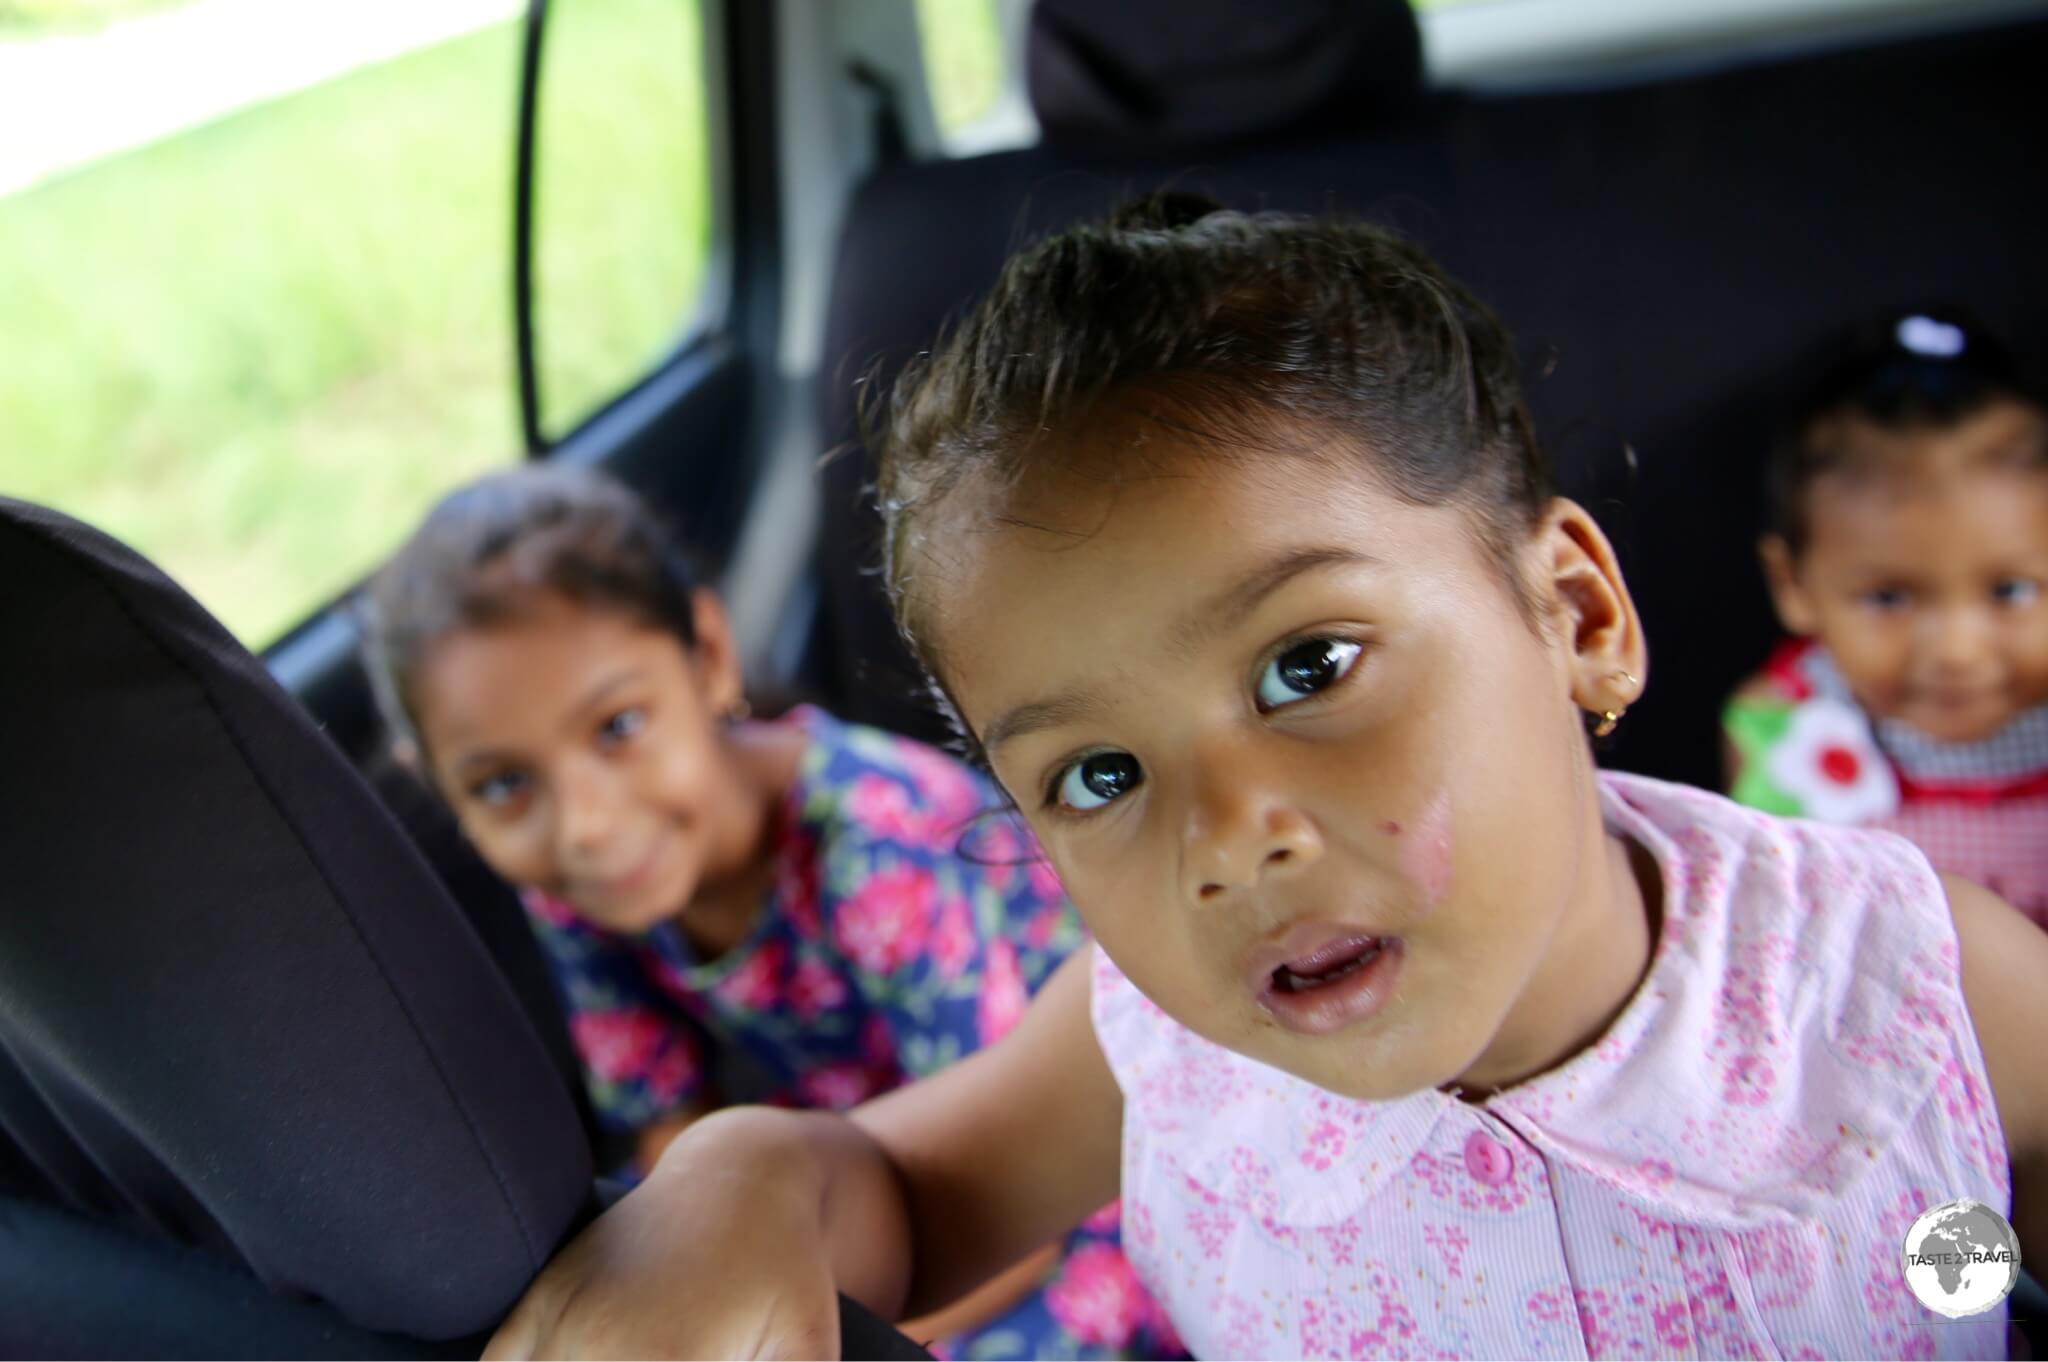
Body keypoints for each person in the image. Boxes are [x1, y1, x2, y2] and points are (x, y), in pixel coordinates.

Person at [482, 200, 2048, 1360]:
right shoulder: (1154, 1053)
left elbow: (2009, 1198)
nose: (1227, 841)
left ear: (1577, 614)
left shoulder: (1913, 978)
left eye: (1309, 668)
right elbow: (898, 1183)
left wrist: (1940, 1274)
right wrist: (747, 1175)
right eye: (1098, 771)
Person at [359, 465, 1174, 1360]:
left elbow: (1017, 1197)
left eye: (618, 727)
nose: (585, 825)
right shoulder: (577, 885)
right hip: (827, 1193)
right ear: (440, 786)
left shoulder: (879, 846)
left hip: (1069, 1204)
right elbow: (665, 1120)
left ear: (708, 655)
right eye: (505, 784)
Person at [1724, 311, 2048, 929]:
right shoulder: (1779, 728)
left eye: (2010, 591)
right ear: (1794, 585)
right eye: (1889, 599)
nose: (1957, 650)